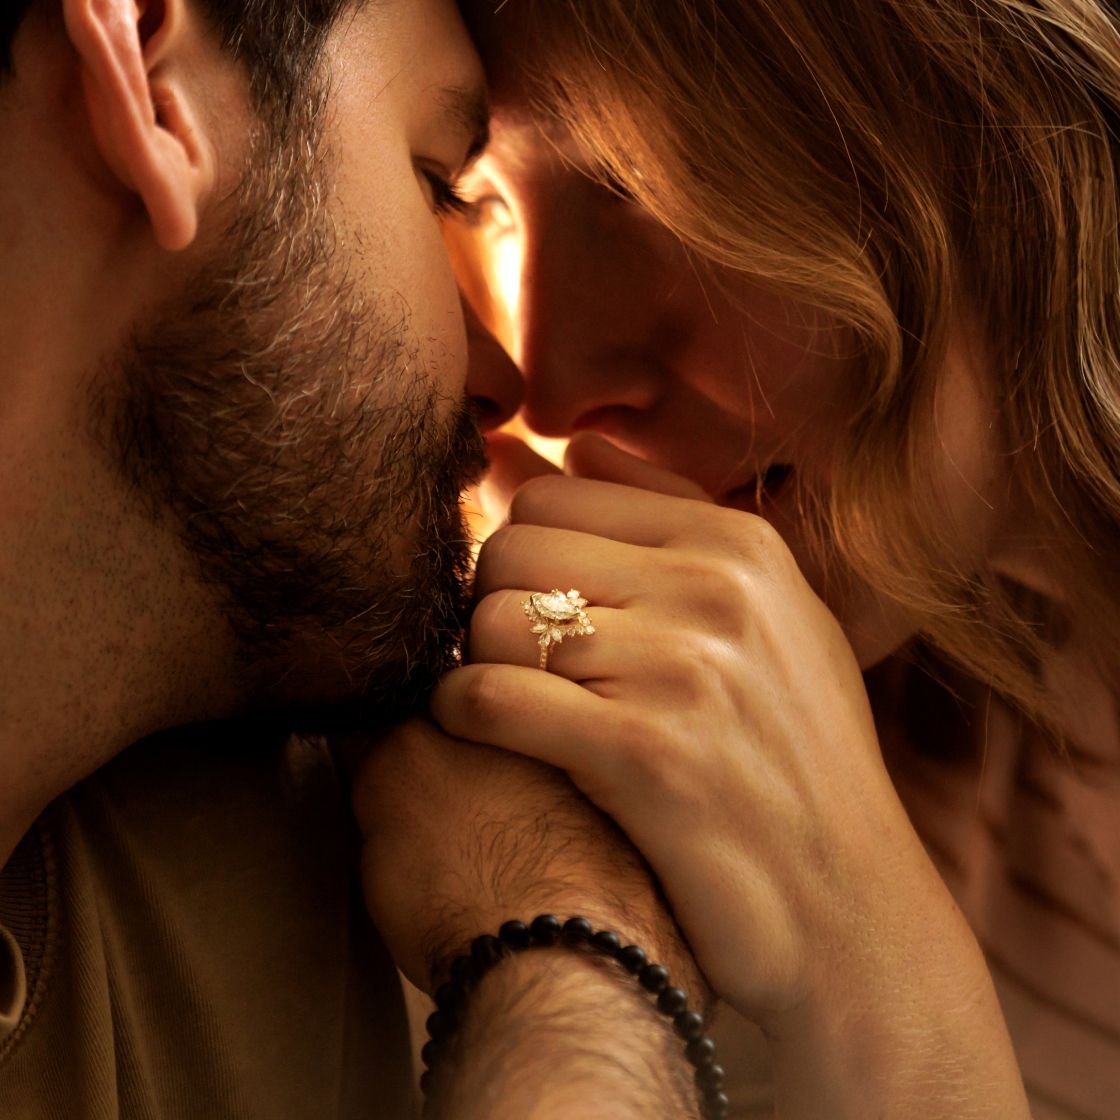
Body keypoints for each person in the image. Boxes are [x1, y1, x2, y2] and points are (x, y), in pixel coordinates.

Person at [0, 2, 719, 1117]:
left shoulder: (277, 852)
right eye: (435, 180)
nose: (508, 381)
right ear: (146, 67)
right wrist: (578, 961)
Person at [420, 0, 1120, 1117]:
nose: (547, 379)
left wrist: (883, 979)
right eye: (486, 202)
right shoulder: (821, 718)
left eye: (633, 177)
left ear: (995, 117)